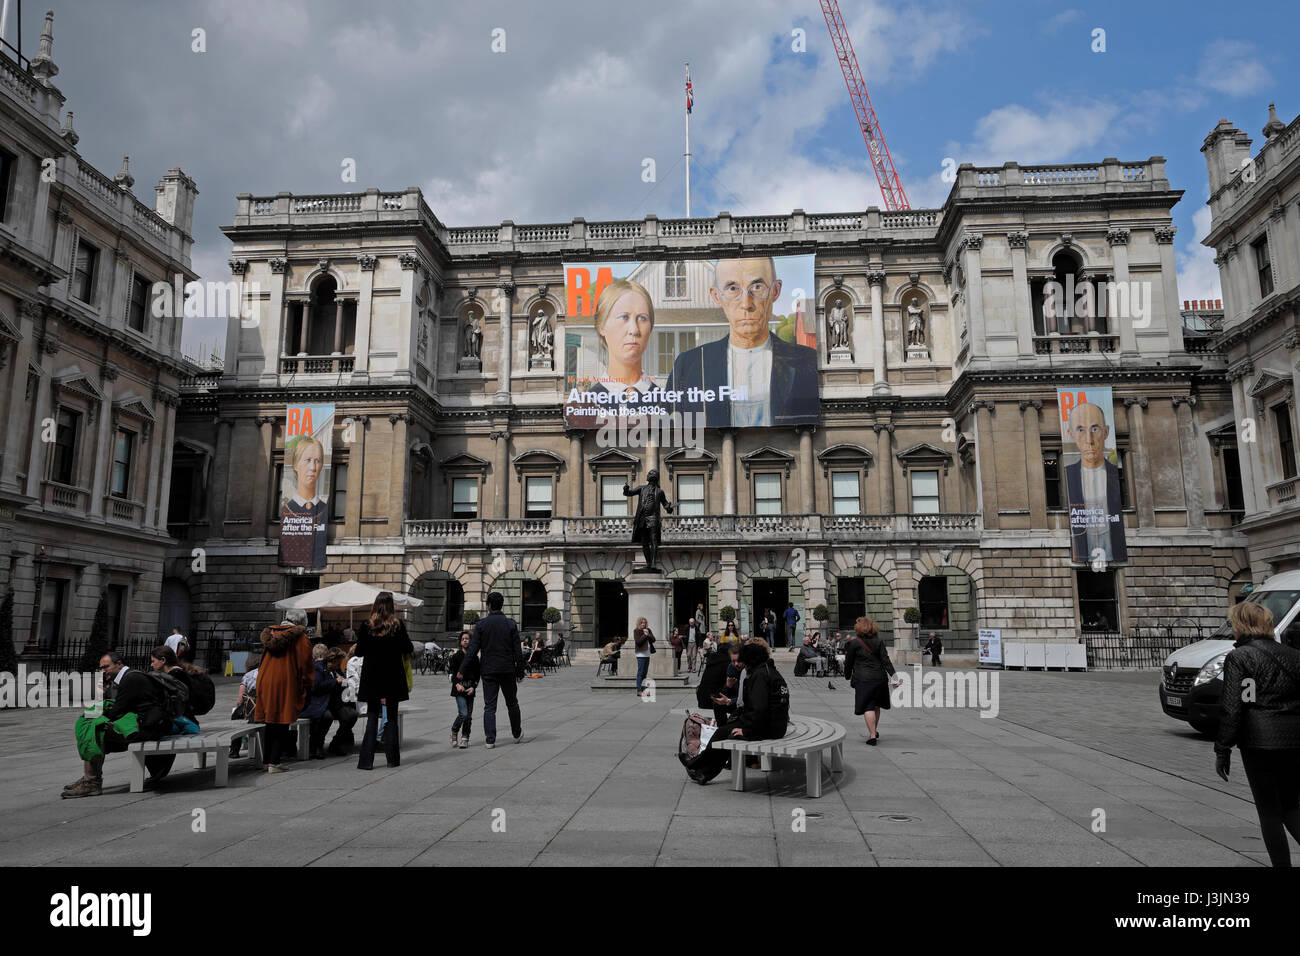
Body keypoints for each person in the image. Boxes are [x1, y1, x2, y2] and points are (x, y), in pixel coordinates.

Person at [666, 256, 819, 427]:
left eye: (757, 287)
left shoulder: (809, 363)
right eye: (733, 288)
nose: (746, 304)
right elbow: (670, 434)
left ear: (775, 291)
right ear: (716, 296)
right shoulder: (687, 367)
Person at [1215, 602, 1300, 867]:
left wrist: (1223, 749)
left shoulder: (1239, 657)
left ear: (1241, 625)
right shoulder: (1294, 655)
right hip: (1294, 739)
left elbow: (1232, 707)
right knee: (1291, 806)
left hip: (1259, 742)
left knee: (1269, 812)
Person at [63, 652, 170, 798]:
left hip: (148, 728)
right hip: (150, 725)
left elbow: (118, 710)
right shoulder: (130, 676)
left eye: (105, 667)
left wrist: (97, 717)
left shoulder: (130, 679)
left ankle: (92, 782)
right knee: (95, 728)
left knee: (94, 730)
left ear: (119, 664)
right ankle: (90, 779)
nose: (102, 671)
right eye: (100, 668)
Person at [688, 639, 790, 784]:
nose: (742, 664)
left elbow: (759, 709)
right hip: (775, 724)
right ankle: (701, 770)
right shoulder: (768, 670)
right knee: (722, 731)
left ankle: (697, 766)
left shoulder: (760, 675)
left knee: (727, 734)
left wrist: (746, 731)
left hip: (769, 728)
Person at [564, 278, 659, 429]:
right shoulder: (586, 409)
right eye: (624, 317)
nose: (634, 329)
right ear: (601, 326)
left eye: (642, 318)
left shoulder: (667, 403)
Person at [355, 591, 414, 769]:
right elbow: (408, 647)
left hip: (372, 677)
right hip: (392, 677)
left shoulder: (367, 625)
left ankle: (366, 761)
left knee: (372, 717)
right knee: (392, 718)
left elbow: (359, 652)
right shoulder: (397, 626)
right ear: (391, 606)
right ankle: (392, 759)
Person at [1063, 400, 1127, 564]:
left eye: (1095, 429)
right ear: (1071, 435)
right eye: (1081, 430)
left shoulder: (1116, 473)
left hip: (1116, 547)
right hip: (1081, 548)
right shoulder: (1068, 474)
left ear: (1106, 432)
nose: (1089, 440)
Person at [254, 608, 315, 772]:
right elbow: (306, 664)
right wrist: (308, 684)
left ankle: (267, 760)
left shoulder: (271, 633)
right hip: (285, 680)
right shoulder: (300, 638)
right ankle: (274, 762)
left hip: (266, 679)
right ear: (301, 622)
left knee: (269, 720)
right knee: (282, 720)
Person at [462, 590, 525, 749]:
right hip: (507, 669)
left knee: (489, 706)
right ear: (501, 605)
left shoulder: (481, 625)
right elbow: (517, 651)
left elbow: (472, 650)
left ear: (488, 606)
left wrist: (461, 669)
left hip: (489, 670)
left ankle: (490, 739)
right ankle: (516, 733)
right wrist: (520, 671)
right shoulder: (510, 624)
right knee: (512, 703)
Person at [843, 616, 899, 746]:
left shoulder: (853, 643)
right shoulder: (879, 642)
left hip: (864, 679)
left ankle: (872, 735)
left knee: (868, 706)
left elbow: (849, 663)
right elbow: (886, 661)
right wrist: (894, 676)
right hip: (880, 678)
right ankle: (874, 730)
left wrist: (847, 676)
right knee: (876, 705)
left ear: (859, 628)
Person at [280, 434, 328, 569]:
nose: (313, 467)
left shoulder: (324, 508)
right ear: (296, 465)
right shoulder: (287, 509)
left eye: (318, 461)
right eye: (307, 460)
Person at [300, 643, 340, 760]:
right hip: (315, 704)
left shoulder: (322, 666)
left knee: (328, 716)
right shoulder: (318, 667)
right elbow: (316, 687)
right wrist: (335, 681)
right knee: (325, 716)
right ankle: (317, 745)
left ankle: (317, 745)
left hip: (322, 702)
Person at [323, 647, 358, 755]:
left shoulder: (336, 670)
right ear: (331, 662)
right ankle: (318, 743)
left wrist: (346, 682)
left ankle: (337, 741)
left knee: (352, 714)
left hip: (337, 703)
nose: (339, 666)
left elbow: (343, 681)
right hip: (326, 703)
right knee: (329, 717)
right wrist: (335, 682)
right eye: (338, 664)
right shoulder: (321, 669)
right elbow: (318, 686)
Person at [447, 631, 478, 749]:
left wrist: (473, 687)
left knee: (468, 716)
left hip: (470, 689)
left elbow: (477, 675)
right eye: (463, 639)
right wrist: (457, 685)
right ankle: (454, 731)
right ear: (460, 642)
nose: (465, 640)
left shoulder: (474, 657)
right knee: (463, 713)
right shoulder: (455, 657)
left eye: (468, 638)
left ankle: (465, 737)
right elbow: (451, 674)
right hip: (459, 689)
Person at [228, 652, 261, 758]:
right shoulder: (268, 672)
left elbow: (241, 698)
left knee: (236, 717)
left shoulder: (248, 675)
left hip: (252, 709)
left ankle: (234, 750)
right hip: (265, 708)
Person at [632, 616, 655, 697]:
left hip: (647, 654)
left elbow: (653, 639)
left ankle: (644, 690)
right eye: (642, 623)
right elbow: (638, 642)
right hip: (641, 654)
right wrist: (644, 635)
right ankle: (639, 691)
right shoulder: (636, 631)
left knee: (645, 673)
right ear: (639, 623)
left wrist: (648, 634)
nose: (643, 624)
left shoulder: (648, 630)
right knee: (640, 673)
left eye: (644, 623)